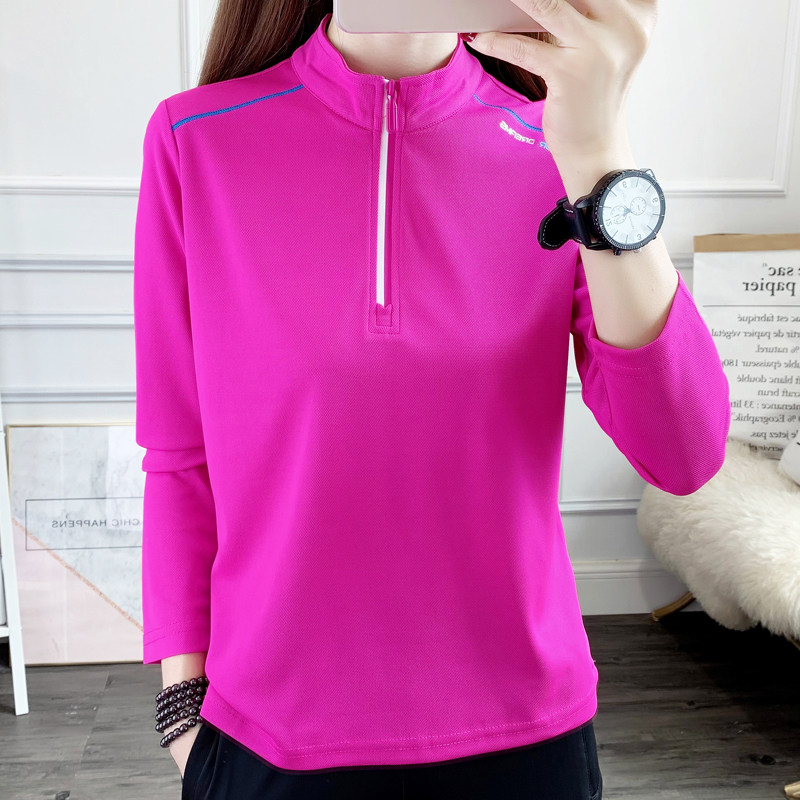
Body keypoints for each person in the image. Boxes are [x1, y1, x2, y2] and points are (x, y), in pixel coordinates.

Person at [134, 0, 731, 798]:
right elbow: (180, 453)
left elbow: (684, 453)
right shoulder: (196, 139)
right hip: (269, 741)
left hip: (529, 737)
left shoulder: (559, 153)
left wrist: (598, 154)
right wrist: (182, 709)